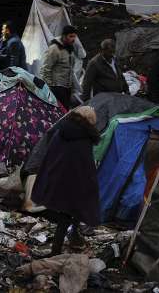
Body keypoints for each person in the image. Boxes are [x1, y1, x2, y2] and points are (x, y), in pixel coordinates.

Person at [31, 106, 101, 256]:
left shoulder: (61, 131)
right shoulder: (84, 140)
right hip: (73, 184)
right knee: (68, 214)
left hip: (56, 179)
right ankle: (56, 250)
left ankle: (73, 238)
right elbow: (85, 166)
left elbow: (51, 155)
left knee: (68, 213)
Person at [40, 25, 78, 108]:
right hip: (56, 87)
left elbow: (70, 69)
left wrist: (73, 87)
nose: (73, 39)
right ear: (64, 36)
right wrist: (49, 88)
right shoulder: (55, 48)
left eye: (74, 36)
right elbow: (45, 69)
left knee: (66, 110)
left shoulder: (70, 48)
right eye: (71, 36)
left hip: (67, 87)